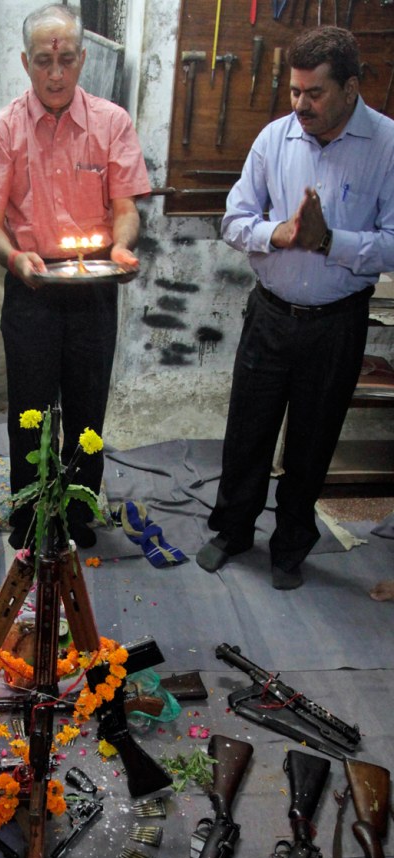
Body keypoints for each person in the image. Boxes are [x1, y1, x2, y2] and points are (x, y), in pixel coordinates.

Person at [197, 26, 394, 591]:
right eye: (294, 92)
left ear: (351, 88)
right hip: (270, 314)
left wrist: (332, 241)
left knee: (312, 440)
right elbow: (234, 222)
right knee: (247, 433)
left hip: (336, 324)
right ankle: (233, 531)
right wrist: (277, 233)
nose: (300, 105)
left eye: (314, 94)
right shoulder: (274, 140)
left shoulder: (386, 146)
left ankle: (289, 548)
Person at [0, 3, 150, 549]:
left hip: (93, 287)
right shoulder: (2, 130)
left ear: (82, 59)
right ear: (26, 62)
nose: (55, 73)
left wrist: (121, 245)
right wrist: (13, 258)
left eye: (66, 59)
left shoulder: (112, 122)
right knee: (30, 411)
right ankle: (30, 514)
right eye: (44, 61)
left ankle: (77, 511)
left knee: (88, 410)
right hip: (32, 288)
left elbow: (126, 208)